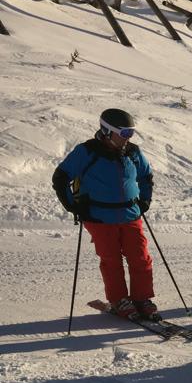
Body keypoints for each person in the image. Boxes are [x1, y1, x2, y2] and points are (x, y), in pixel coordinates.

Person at [52, 108, 160, 319]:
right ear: (107, 131)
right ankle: (119, 300)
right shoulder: (87, 151)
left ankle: (141, 299)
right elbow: (60, 178)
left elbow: (146, 177)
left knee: (140, 257)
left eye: (131, 133)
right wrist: (73, 206)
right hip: (99, 217)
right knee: (111, 260)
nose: (128, 138)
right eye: (125, 133)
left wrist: (145, 201)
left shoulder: (133, 152)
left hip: (130, 214)